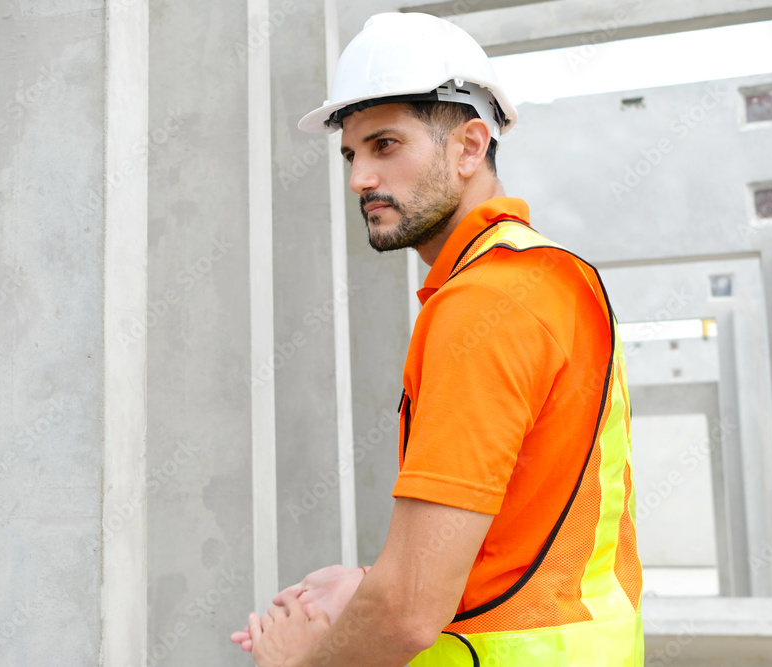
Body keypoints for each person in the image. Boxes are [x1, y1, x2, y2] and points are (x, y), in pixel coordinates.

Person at [231, 12, 643, 666]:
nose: (359, 179)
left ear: (470, 147)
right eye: (351, 153)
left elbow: (408, 612)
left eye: (386, 145)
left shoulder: (484, 303)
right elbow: (527, 515)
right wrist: (368, 582)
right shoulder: (553, 276)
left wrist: (303, 661)